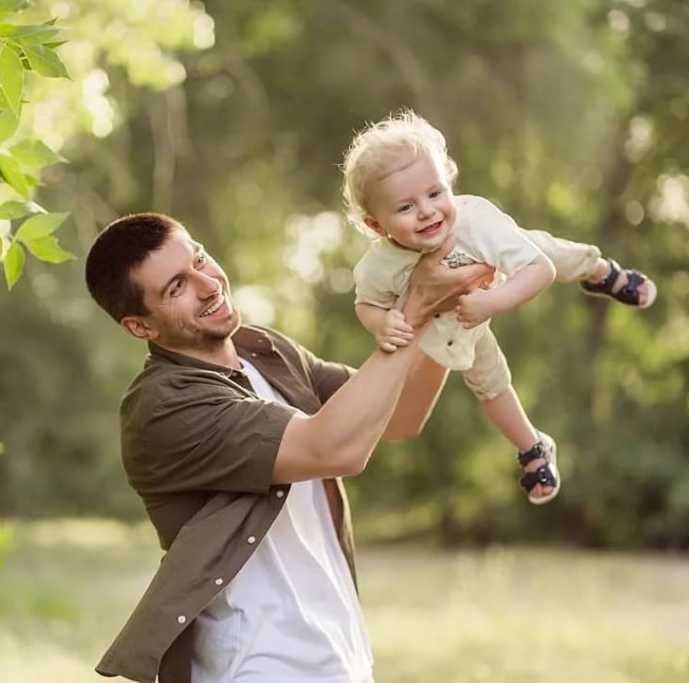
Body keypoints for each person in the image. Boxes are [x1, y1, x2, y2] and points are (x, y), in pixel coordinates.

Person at [84, 212, 490, 683]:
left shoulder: (264, 350)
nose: (207, 282)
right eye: (176, 287)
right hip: (260, 665)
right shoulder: (164, 407)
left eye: (199, 259)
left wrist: (447, 312)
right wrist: (416, 306)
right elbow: (336, 449)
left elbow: (399, 415)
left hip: (337, 655)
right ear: (141, 327)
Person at [342, 109, 657, 505]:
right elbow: (366, 303)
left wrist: (494, 301)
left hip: (496, 287)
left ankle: (601, 272)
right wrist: (380, 323)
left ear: (448, 184)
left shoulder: (475, 221)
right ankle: (533, 448)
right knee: (487, 382)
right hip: (454, 323)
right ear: (376, 225)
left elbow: (538, 271)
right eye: (405, 207)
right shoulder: (377, 266)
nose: (427, 210)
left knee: (547, 249)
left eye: (436, 193)